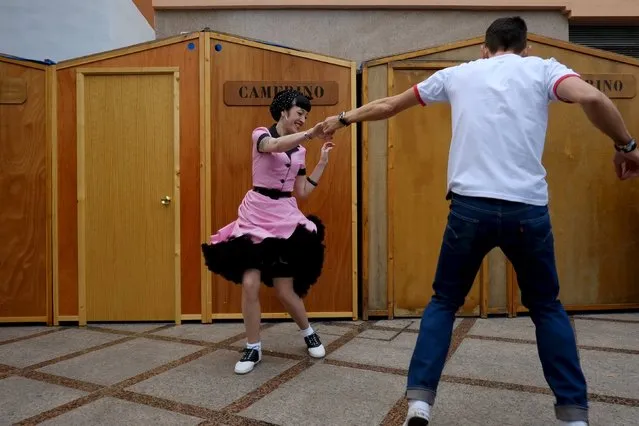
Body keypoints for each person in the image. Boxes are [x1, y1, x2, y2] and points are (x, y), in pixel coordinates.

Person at [322, 16, 638, 426]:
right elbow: (593, 99)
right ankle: (574, 415)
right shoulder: (544, 69)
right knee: (546, 307)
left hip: (469, 210)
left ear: (483, 49)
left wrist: (343, 118)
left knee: (444, 302)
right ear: (524, 47)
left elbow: (390, 105)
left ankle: (419, 404)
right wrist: (626, 145)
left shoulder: (459, 74)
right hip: (527, 211)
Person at [202, 89, 333, 375]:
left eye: (306, 116)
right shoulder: (261, 134)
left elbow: (302, 191)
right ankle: (253, 347)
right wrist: (310, 133)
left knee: (285, 290)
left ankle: (308, 331)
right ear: (285, 111)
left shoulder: (300, 151)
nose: (303, 119)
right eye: (300, 113)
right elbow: (271, 146)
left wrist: (321, 163)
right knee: (250, 283)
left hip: (284, 217)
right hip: (255, 215)